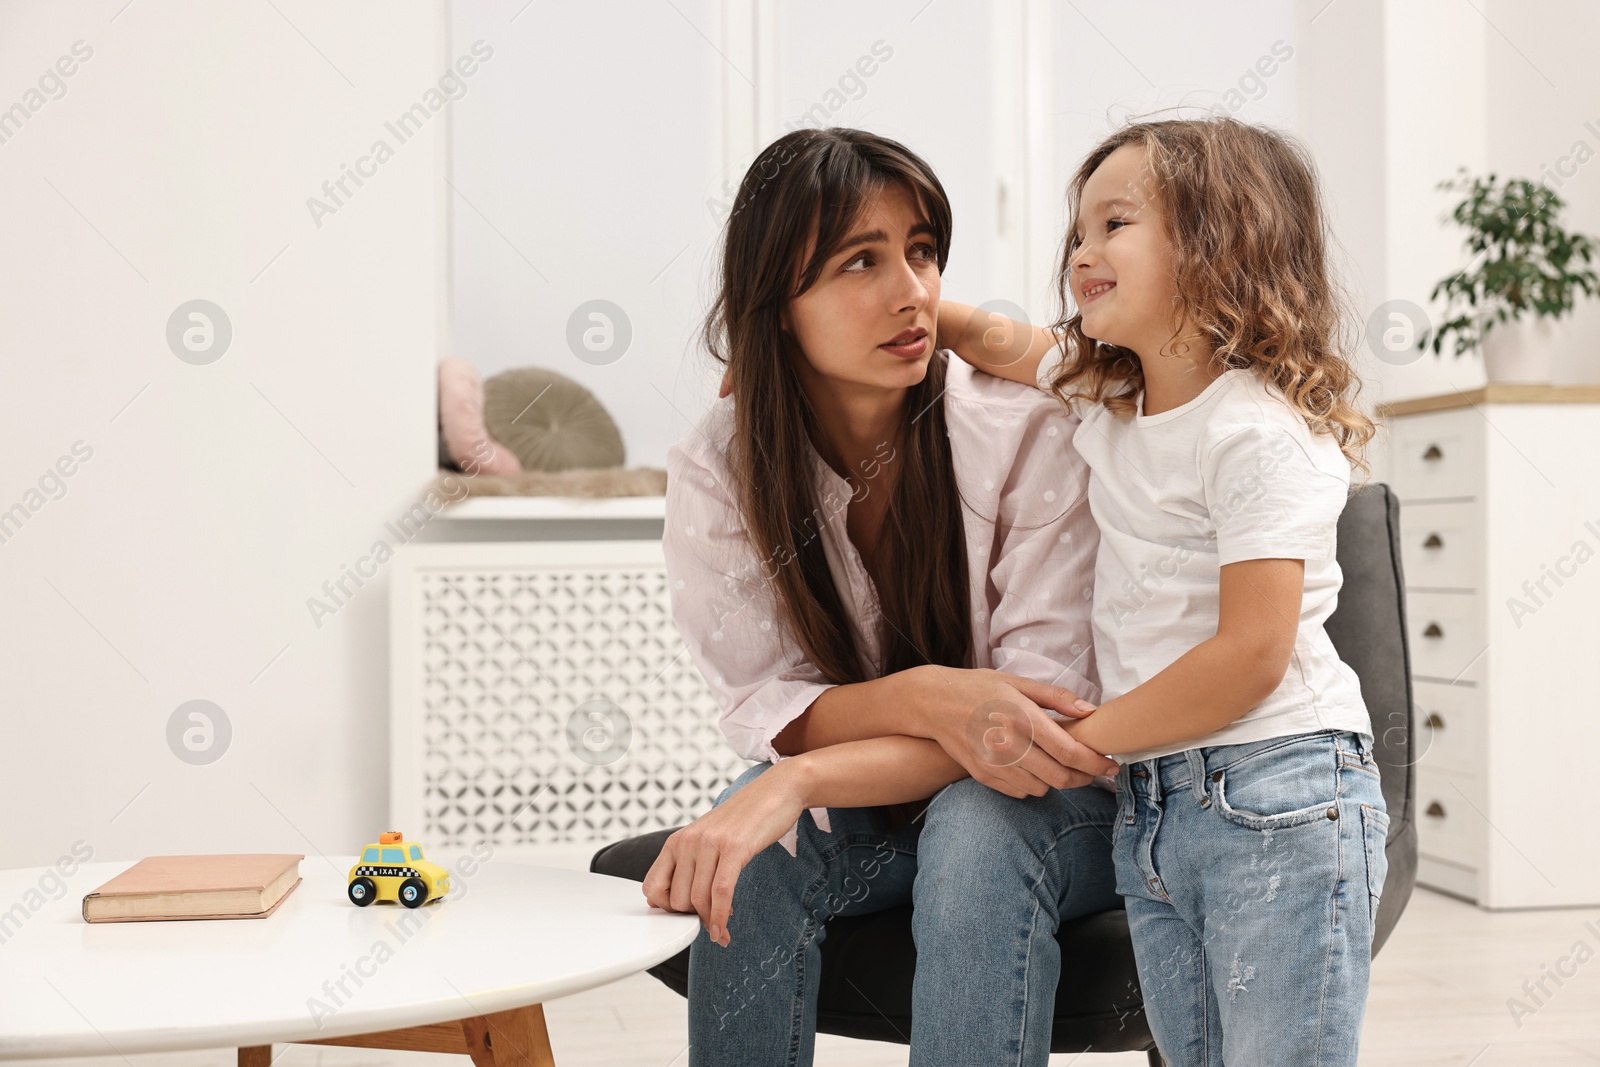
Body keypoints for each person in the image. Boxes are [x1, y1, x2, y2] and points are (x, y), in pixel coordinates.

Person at [640, 127, 1121, 1066]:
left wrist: (806, 774)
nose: (913, 291)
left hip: (1068, 802)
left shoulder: (1024, 430)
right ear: (777, 304)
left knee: (978, 830)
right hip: (896, 808)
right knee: (758, 851)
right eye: (861, 260)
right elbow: (768, 703)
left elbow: (1026, 728)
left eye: (923, 250)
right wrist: (931, 697)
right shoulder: (721, 462)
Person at [938, 116, 1387, 1066]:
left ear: (1220, 241)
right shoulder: (1109, 397)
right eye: (1078, 231)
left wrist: (1073, 744)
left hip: (1281, 789)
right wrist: (887, 316)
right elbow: (990, 336)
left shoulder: (1256, 432)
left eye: (1115, 224)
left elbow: (1249, 657)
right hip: (1158, 802)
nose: (1081, 252)